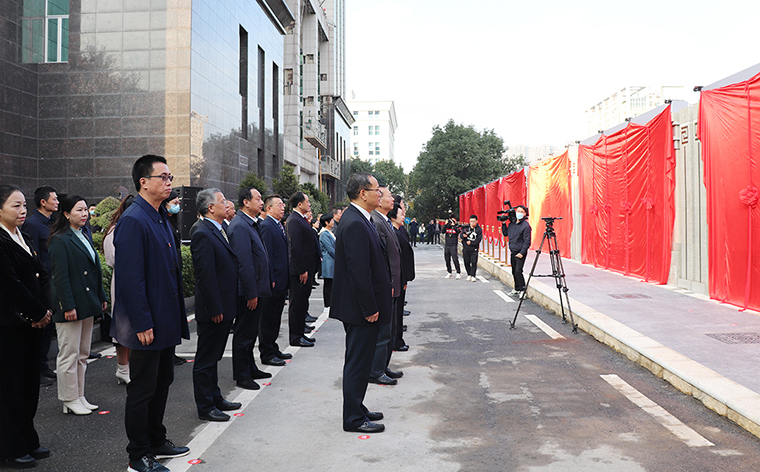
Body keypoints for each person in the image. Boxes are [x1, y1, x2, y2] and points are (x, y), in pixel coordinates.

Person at [113, 154, 190, 472]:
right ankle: (138, 453)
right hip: (147, 323)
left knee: (163, 379)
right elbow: (131, 278)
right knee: (143, 387)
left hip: (166, 317)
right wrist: (142, 321)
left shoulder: (159, 216)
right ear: (144, 182)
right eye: (164, 177)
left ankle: (157, 439)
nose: (169, 182)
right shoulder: (134, 219)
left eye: (170, 177)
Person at [329, 173, 391, 433]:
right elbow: (358, 271)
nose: (380, 194)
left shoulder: (360, 218)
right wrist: (369, 308)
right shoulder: (355, 222)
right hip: (360, 309)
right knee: (357, 362)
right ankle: (353, 419)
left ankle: (358, 407)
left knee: (362, 361)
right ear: (362, 193)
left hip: (360, 307)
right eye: (376, 190)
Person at [0, 185, 54, 469]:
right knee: (11, 388)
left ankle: (28, 438)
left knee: (30, 384)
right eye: (15, 206)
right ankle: (10, 446)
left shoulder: (25, 235)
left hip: (34, 322)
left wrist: (46, 310)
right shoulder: (1, 240)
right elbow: (12, 285)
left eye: (24, 206)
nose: (22, 211)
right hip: (10, 324)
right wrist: (35, 311)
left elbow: (42, 273)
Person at [48, 195, 108, 416]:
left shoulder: (84, 234)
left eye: (85, 210)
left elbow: (95, 271)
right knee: (69, 353)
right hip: (71, 305)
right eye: (79, 210)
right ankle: (69, 397)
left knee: (83, 353)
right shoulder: (60, 239)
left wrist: (101, 296)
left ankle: (79, 395)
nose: (84, 214)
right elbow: (60, 278)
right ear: (66, 214)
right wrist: (67, 306)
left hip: (87, 302)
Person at [191, 189, 241, 421]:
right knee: (206, 359)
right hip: (214, 308)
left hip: (225, 303)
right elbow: (205, 275)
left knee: (215, 356)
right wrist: (214, 308)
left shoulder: (219, 229)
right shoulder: (202, 232)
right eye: (222, 202)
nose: (227, 204)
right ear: (210, 207)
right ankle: (206, 405)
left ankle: (215, 397)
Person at [227, 187, 273, 391]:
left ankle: (251, 367)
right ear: (246, 202)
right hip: (248, 291)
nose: (261, 202)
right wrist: (251, 292)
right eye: (258, 198)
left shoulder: (251, 224)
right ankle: (242, 374)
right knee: (243, 334)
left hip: (257, 287)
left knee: (250, 332)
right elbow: (244, 263)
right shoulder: (239, 226)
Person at [21, 186, 59, 386]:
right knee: (39, 330)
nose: (58, 202)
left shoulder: (52, 222)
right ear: (43, 202)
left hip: (51, 282)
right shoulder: (33, 225)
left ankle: (44, 366)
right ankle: (36, 370)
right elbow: (31, 257)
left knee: (48, 329)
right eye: (54, 199)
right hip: (40, 283)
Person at [369, 186, 403, 386]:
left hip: (394, 283)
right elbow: (381, 259)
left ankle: (383, 366)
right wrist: (388, 282)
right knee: (383, 332)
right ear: (378, 199)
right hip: (386, 285)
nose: (393, 200)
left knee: (389, 329)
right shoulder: (376, 221)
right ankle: (376, 370)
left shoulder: (384, 221)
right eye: (389, 196)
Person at [103, 195, 136, 384]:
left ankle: (129, 367)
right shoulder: (114, 231)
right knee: (123, 328)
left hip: (134, 281)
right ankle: (122, 368)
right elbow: (112, 259)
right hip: (123, 281)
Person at [257, 195, 292, 367]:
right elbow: (267, 256)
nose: (283, 207)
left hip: (281, 280)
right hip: (273, 282)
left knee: (276, 317)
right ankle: (267, 352)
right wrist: (270, 279)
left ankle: (273, 346)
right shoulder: (266, 226)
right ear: (268, 208)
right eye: (279, 205)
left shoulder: (277, 225)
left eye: (283, 204)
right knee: (268, 319)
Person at [285, 192, 319, 347]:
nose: (309, 204)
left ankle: (301, 333)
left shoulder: (301, 219)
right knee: (296, 305)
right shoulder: (294, 221)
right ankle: (295, 337)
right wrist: (302, 270)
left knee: (302, 302)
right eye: (307, 201)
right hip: (300, 271)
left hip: (306, 269)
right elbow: (296, 248)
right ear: (300, 204)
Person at [162, 191, 189, 367]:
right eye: (174, 201)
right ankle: (168, 355)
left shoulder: (172, 221)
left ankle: (172, 353)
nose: (177, 204)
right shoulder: (163, 222)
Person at [390, 198, 413, 352]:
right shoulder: (393, 233)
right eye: (400, 213)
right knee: (395, 312)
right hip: (398, 278)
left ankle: (397, 339)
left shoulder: (399, 230)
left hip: (402, 278)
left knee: (398, 311)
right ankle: (396, 341)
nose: (403, 215)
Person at [501, 206, 532, 295]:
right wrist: (503, 224)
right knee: (514, 270)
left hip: (520, 252)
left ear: (525, 214)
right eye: (518, 211)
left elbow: (527, 241)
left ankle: (523, 290)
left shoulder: (525, 226)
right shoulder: (512, 224)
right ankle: (517, 288)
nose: (519, 213)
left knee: (518, 271)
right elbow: (505, 233)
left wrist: (522, 252)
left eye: (521, 211)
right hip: (513, 250)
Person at [318, 213, 335, 308]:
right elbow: (331, 249)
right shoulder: (324, 234)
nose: (333, 221)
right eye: (331, 220)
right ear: (326, 222)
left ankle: (331, 302)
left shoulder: (329, 232)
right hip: (329, 262)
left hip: (332, 261)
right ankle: (328, 304)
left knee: (331, 284)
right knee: (328, 284)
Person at [461, 215, 483, 282]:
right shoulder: (466, 228)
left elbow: (479, 239)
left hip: (474, 248)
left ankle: (473, 275)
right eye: (471, 221)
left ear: (476, 221)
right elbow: (461, 235)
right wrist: (463, 236)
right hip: (466, 248)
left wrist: (472, 243)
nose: (472, 223)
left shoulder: (479, 229)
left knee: (473, 262)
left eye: (473, 221)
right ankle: (469, 274)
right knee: (466, 262)